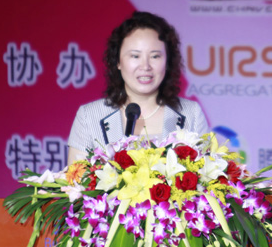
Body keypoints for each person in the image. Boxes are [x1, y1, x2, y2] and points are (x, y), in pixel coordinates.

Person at [67, 11, 209, 164]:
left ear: (167, 62)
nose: (145, 66)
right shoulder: (89, 117)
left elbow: (206, 174)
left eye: (155, 56)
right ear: (118, 61)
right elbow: (77, 176)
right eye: (135, 56)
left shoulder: (191, 114)